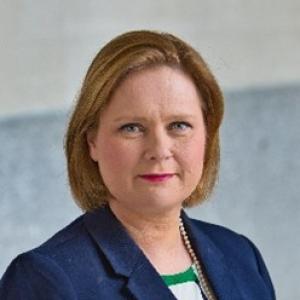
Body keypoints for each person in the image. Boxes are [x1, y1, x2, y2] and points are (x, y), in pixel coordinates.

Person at [0, 30, 275, 300]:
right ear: (92, 141)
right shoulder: (44, 279)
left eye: (179, 125)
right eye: (132, 128)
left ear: (207, 134)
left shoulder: (242, 256)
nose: (159, 150)